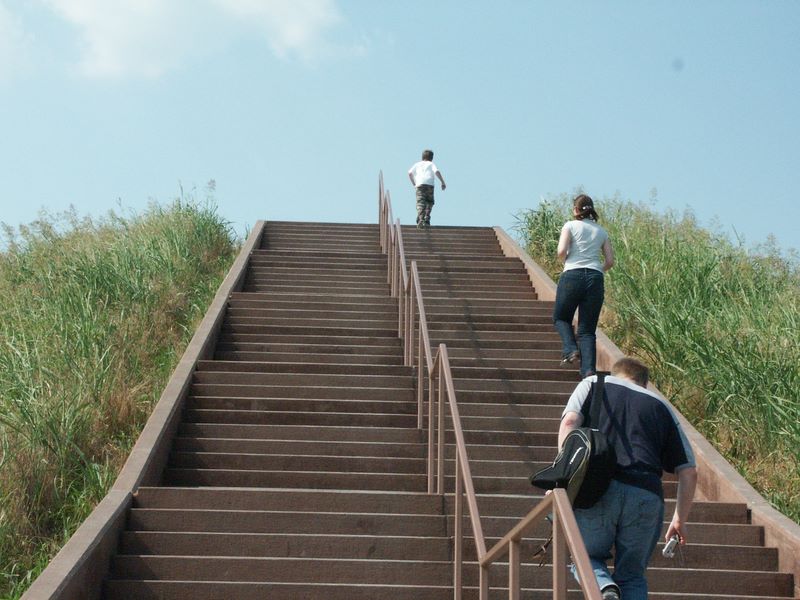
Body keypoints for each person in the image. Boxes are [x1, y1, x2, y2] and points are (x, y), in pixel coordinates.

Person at [558, 357, 698, 600]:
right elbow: (689, 471)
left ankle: (604, 589)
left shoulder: (593, 383)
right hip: (646, 494)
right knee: (632, 575)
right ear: (644, 383)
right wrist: (679, 519)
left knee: (585, 557)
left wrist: (563, 476)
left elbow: (570, 422)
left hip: (598, 489)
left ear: (615, 373)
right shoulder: (661, 406)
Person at [553, 194, 615, 377]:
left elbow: (561, 251)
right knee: (587, 330)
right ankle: (588, 371)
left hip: (572, 275)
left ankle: (570, 349)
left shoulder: (570, 226)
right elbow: (610, 261)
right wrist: (597, 270)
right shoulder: (602, 232)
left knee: (561, 318)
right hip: (595, 279)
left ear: (575, 210)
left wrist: (566, 261)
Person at [408, 149, 446, 228]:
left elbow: (410, 173)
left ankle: (421, 219)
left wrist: (414, 183)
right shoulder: (431, 164)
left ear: (422, 157)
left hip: (419, 185)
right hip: (429, 184)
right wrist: (442, 182)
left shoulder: (417, 164)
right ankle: (427, 218)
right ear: (432, 158)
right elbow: (437, 171)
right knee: (429, 202)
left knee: (421, 202)